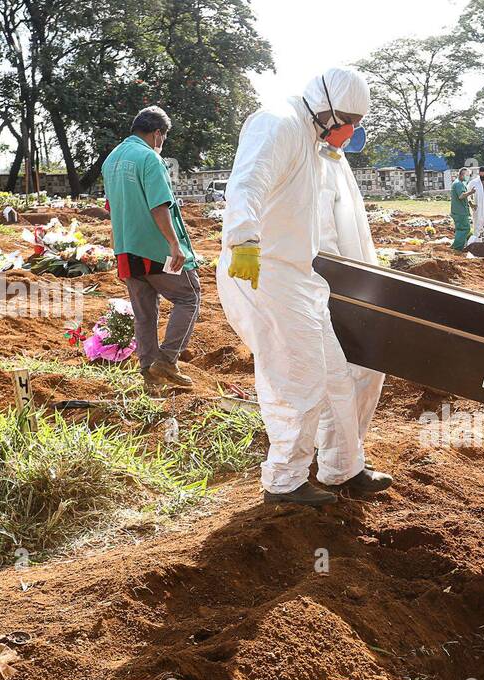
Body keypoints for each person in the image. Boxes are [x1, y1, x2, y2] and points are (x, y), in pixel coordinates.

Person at [218, 66, 393, 506]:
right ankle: (284, 480)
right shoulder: (276, 122)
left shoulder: (314, 141)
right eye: (349, 119)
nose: (351, 130)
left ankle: (342, 468)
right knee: (297, 376)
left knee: (338, 375)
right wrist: (243, 239)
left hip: (298, 275)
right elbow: (248, 182)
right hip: (261, 270)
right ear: (328, 104)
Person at [102, 106, 200, 391]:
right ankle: (167, 361)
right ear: (158, 134)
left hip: (125, 250)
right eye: (164, 137)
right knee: (189, 297)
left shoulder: (111, 160)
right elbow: (159, 205)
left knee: (144, 312)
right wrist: (174, 243)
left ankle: (149, 374)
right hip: (156, 249)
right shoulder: (149, 157)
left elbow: (112, 206)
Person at [315, 140, 387, 479]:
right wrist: (342, 291)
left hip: (355, 283)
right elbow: (323, 241)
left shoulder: (335, 159)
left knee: (367, 372)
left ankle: (347, 454)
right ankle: (337, 463)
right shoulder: (315, 161)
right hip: (332, 287)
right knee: (344, 378)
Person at [450, 168, 472, 250]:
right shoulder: (459, 184)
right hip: (460, 211)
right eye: (467, 175)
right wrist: (471, 192)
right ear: (462, 175)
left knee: (460, 229)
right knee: (464, 229)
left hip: (457, 210)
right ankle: (457, 248)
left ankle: (456, 246)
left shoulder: (457, 183)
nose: (468, 177)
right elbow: (461, 196)